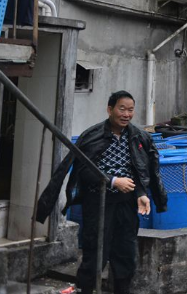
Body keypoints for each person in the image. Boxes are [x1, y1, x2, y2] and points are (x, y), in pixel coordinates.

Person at [37, 91, 167, 294]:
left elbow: (141, 169)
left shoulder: (138, 136)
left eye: (130, 110)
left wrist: (142, 193)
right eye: (121, 109)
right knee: (95, 253)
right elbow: (83, 170)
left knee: (125, 253)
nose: (126, 114)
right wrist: (113, 181)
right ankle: (86, 290)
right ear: (110, 109)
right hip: (98, 203)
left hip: (126, 205)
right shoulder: (93, 135)